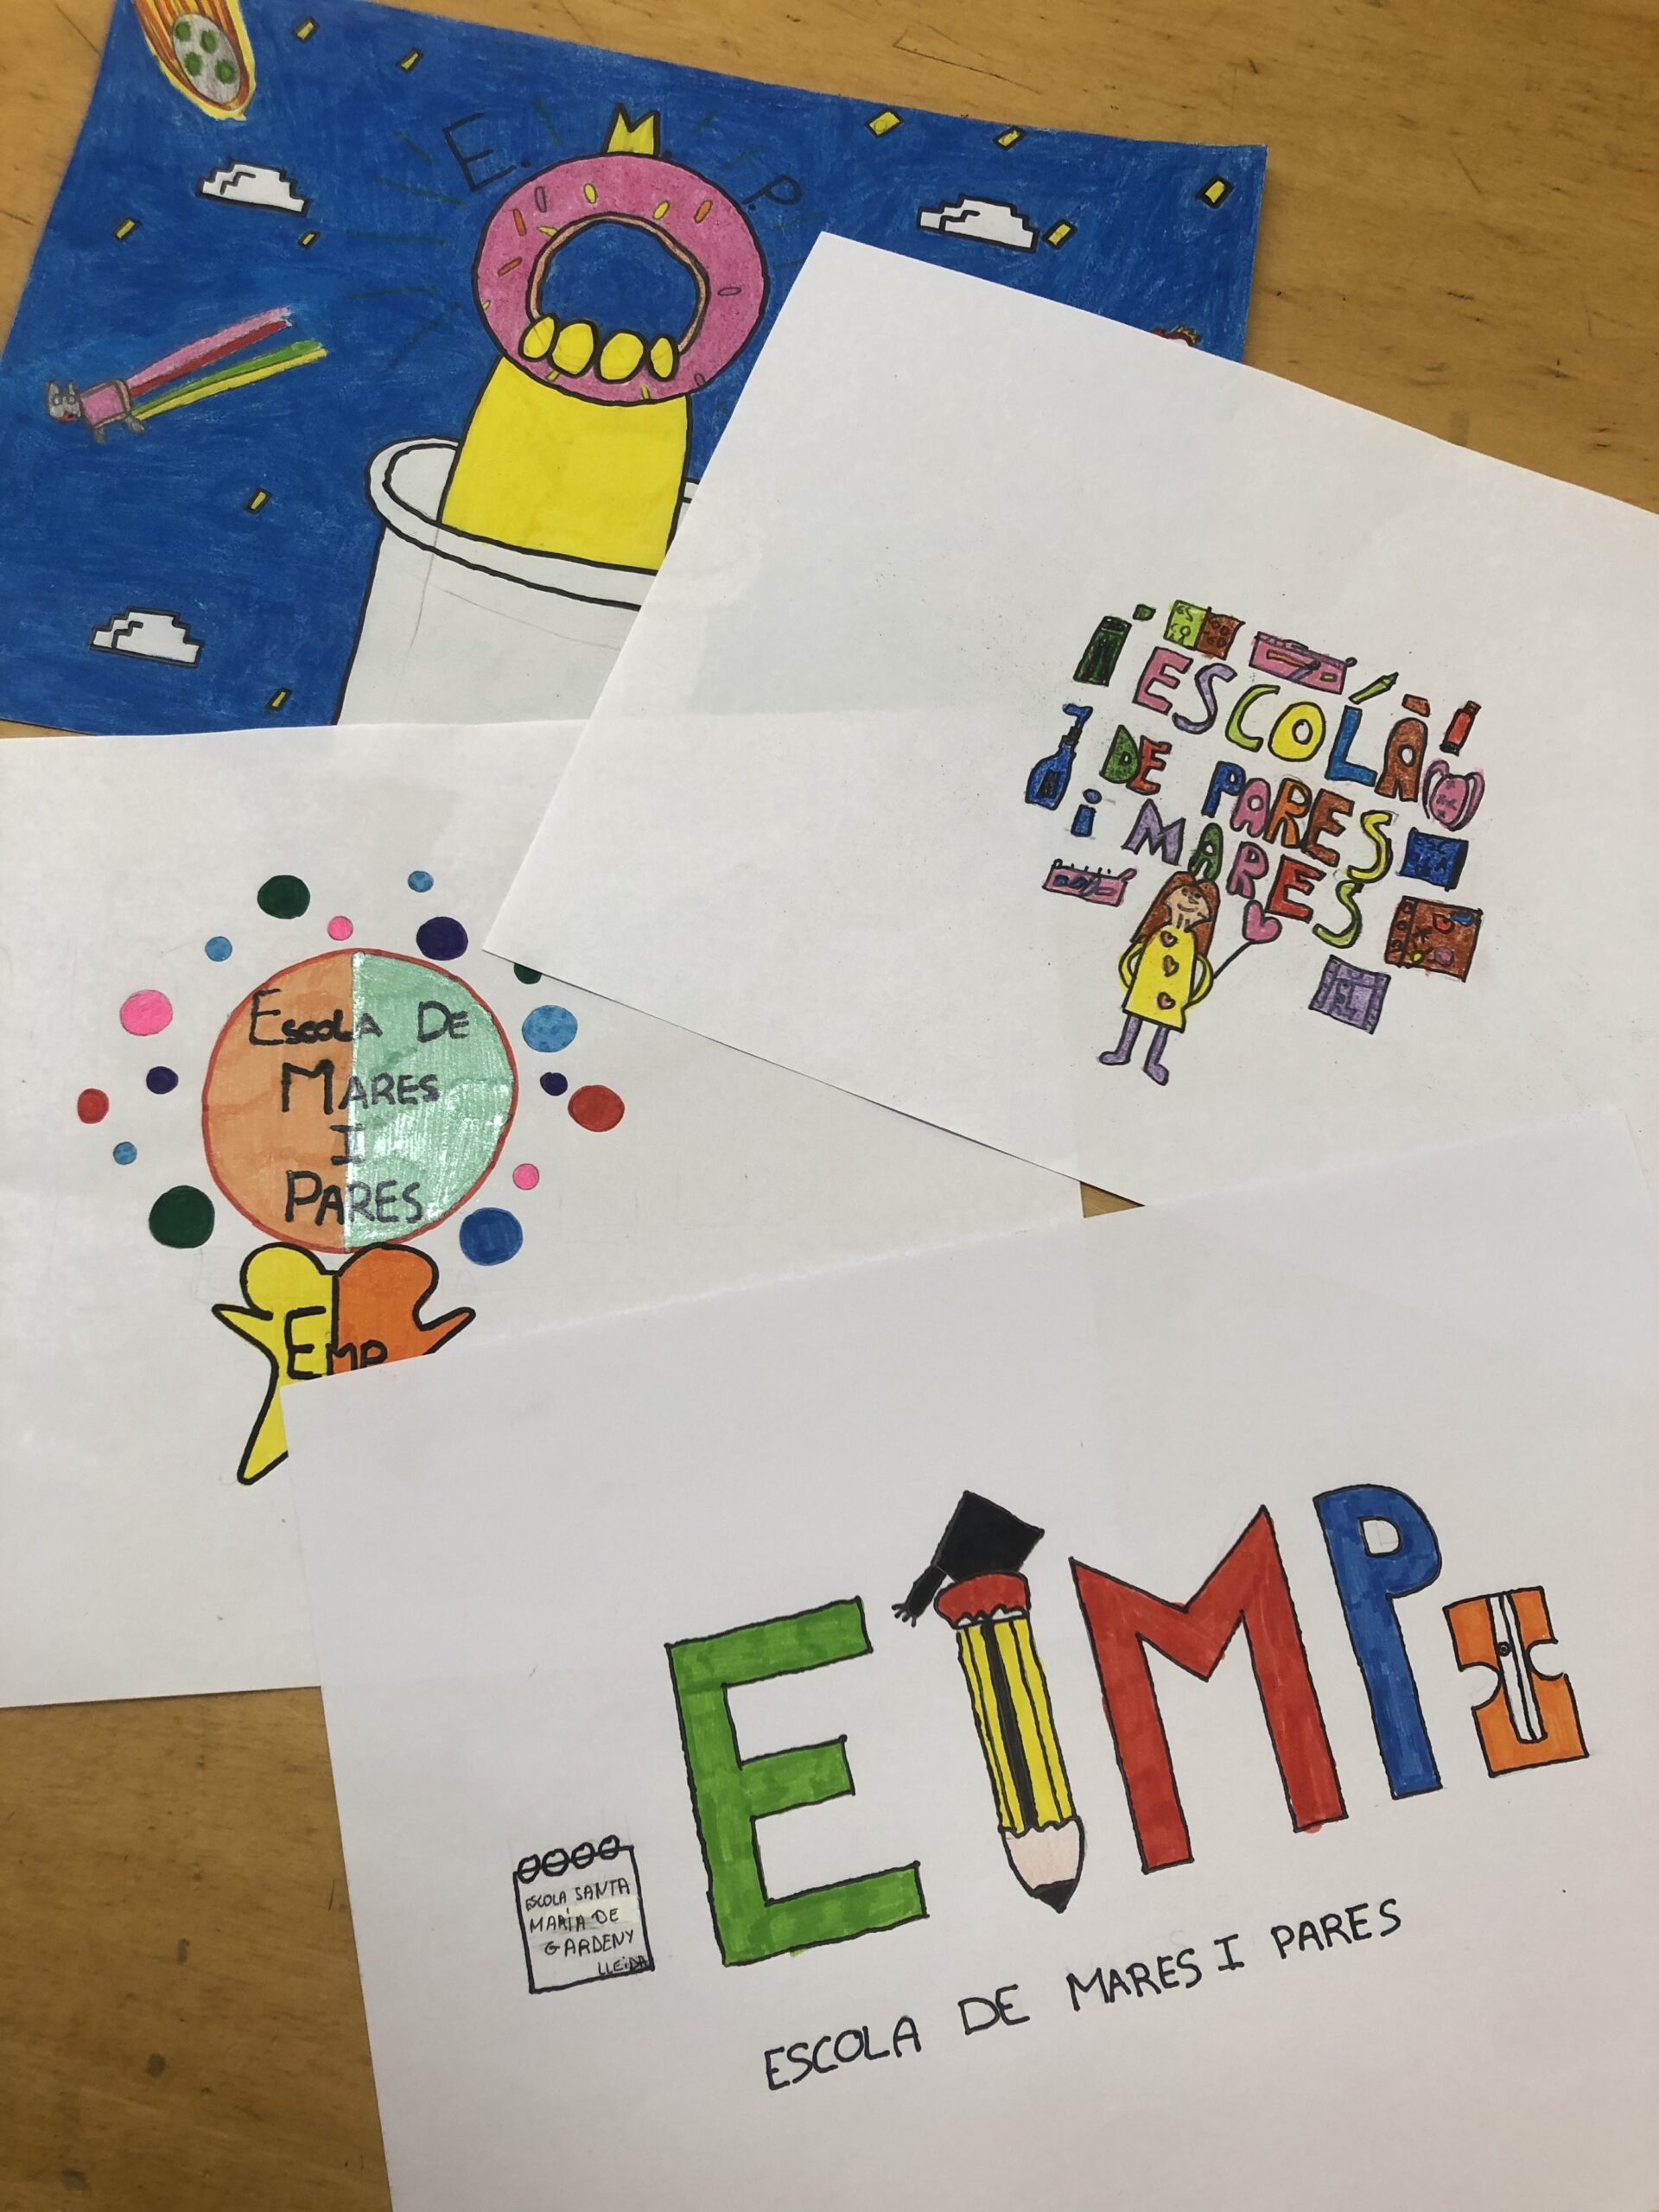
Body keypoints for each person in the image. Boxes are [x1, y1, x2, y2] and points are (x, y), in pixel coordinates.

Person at [1097, 870, 1219, 1086]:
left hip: (1173, 997)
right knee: (1134, 1016)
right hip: (1144, 988)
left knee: (1164, 1026)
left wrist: (1191, 998)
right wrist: (1130, 980)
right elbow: (1131, 957)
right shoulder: (1156, 932)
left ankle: (1152, 1063)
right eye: (1184, 894)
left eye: (1197, 898)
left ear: (1205, 913)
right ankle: (1122, 1052)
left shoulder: (1191, 943)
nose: (1189, 901)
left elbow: (1203, 974)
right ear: (1168, 899)